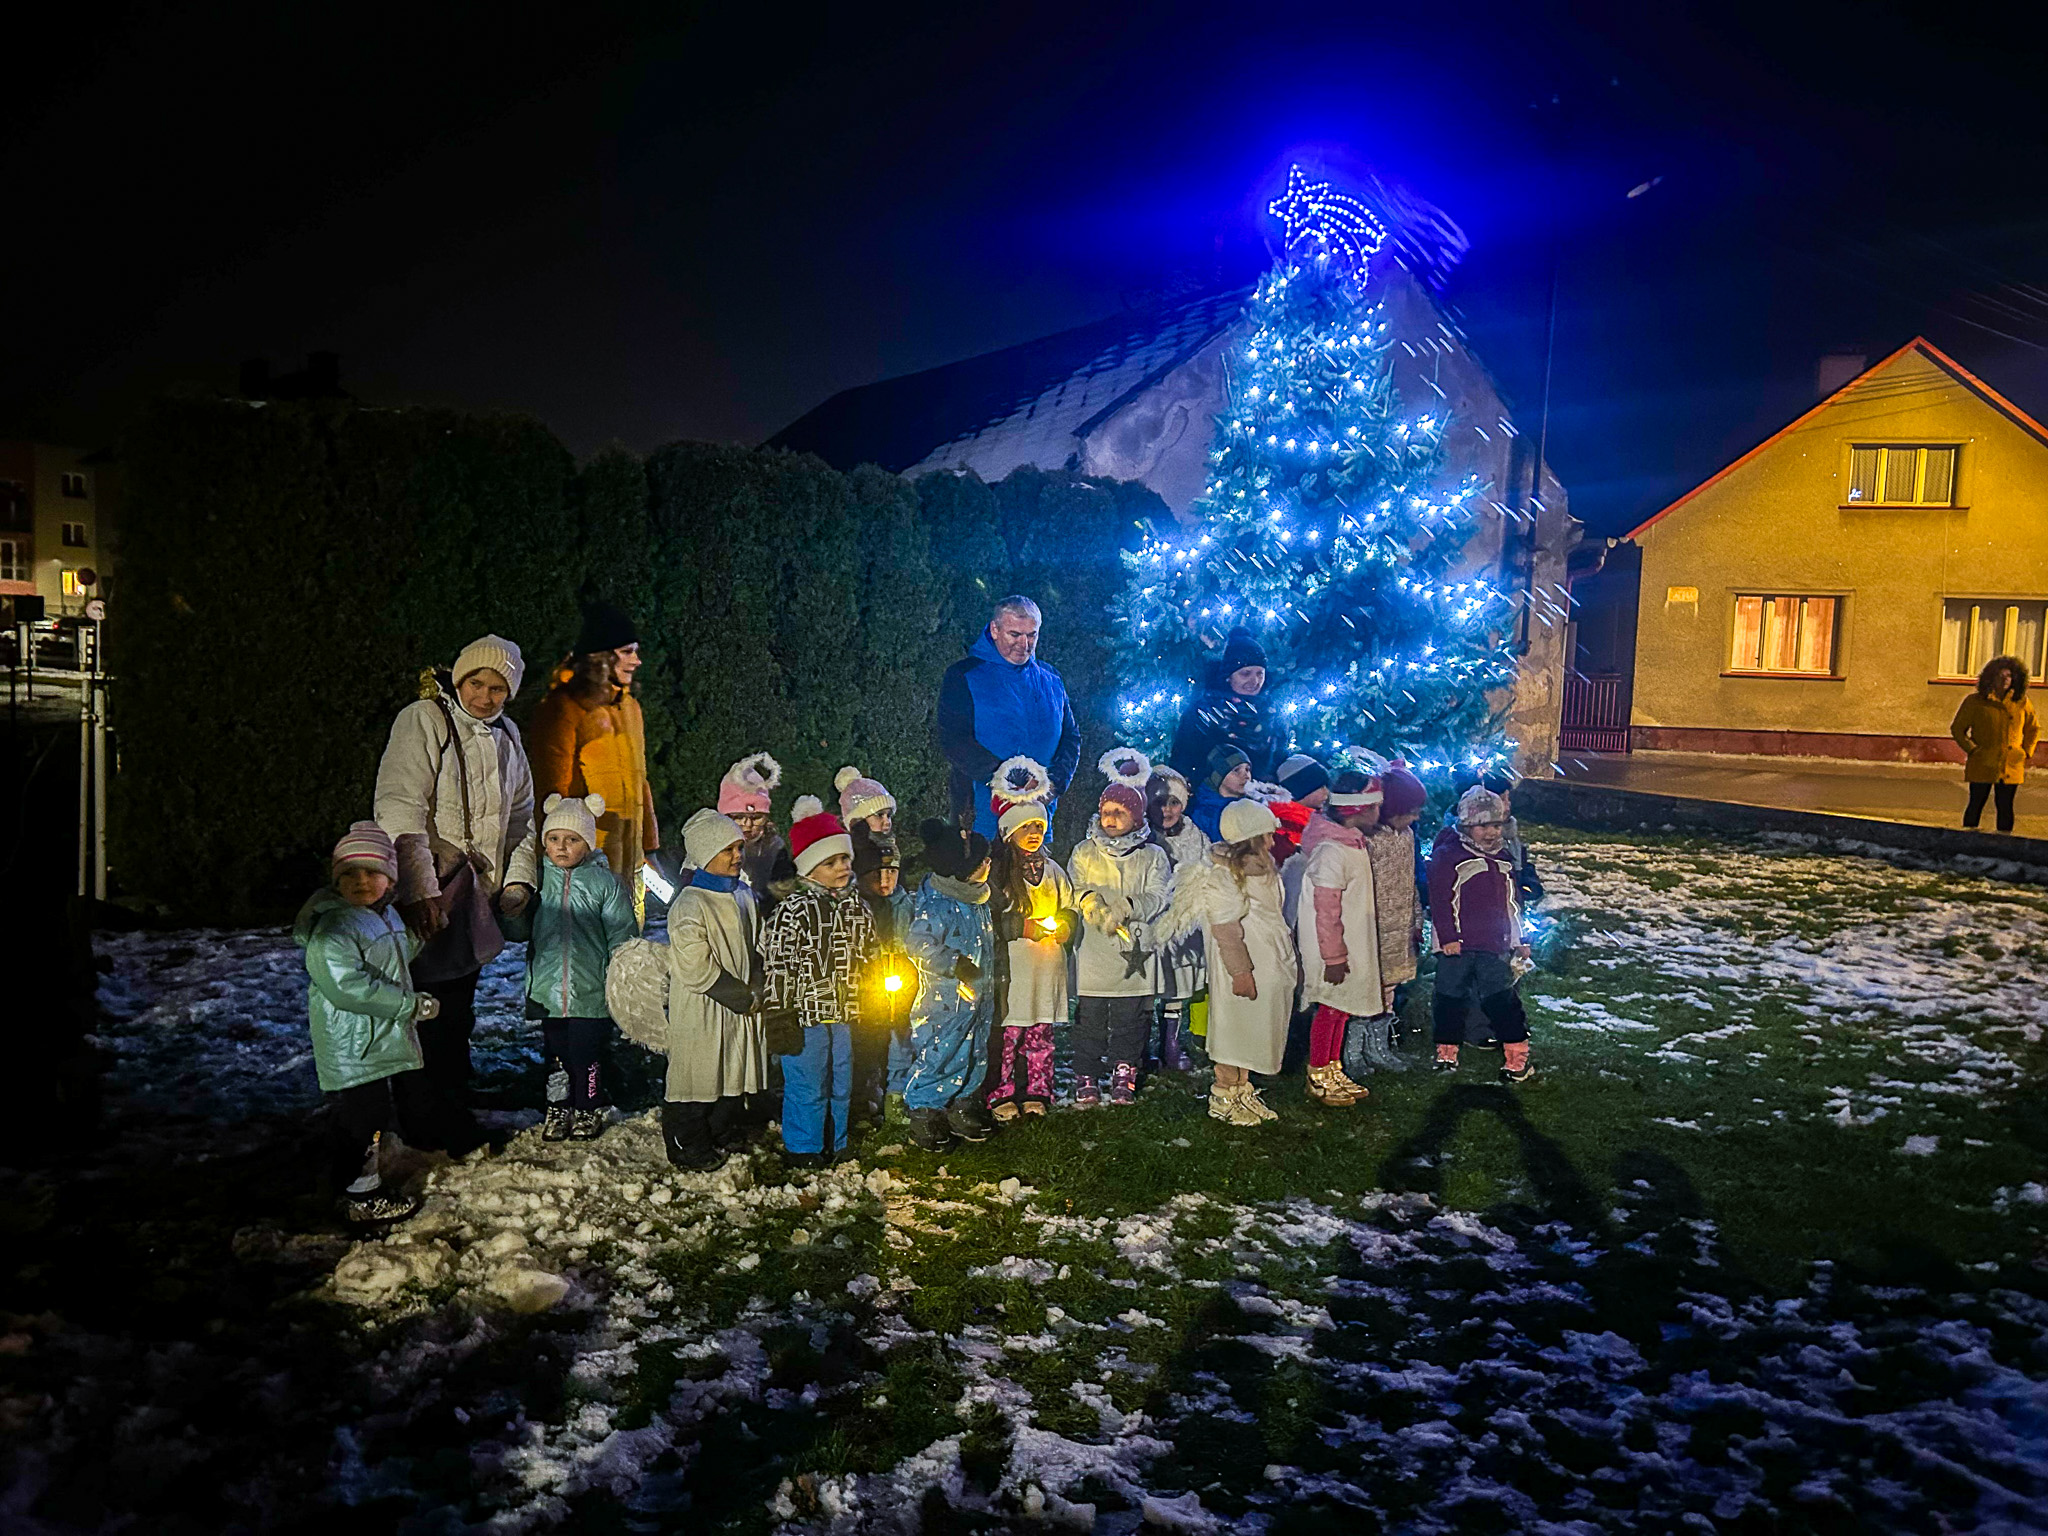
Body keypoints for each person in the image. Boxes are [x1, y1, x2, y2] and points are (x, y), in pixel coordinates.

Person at [374, 634, 538, 1154]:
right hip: (433, 892)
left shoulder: (508, 735)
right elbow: (400, 807)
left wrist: (517, 881)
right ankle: (425, 1121)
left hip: (474, 898)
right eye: (476, 683)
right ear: (459, 679)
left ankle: (452, 1103)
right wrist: (419, 890)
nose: (485, 697)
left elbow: (521, 816)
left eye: (498, 688)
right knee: (426, 1007)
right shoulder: (425, 720)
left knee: (459, 1005)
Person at [293, 822, 436, 1226]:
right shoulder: (334, 928)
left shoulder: (382, 915)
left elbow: (395, 955)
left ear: (390, 879)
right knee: (365, 1121)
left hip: (372, 1039)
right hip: (352, 1043)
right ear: (335, 881)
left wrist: (423, 935)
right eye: (349, 874)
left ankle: (347, 1184)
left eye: (372, 872)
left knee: (367, 1117)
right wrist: (410, 1006)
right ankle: (362, 1194)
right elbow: (347, 987)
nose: (361, 881)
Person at [499, 793, 638, 1141]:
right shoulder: (537, 882)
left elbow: (621, 934)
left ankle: (587, 1105)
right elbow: (519, 932)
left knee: (586, 1053)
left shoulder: (605, 884)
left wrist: (621, 977)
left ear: (588, 844)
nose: (561, 847)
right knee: (557, 1056)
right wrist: (512, 912)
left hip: (590, 990)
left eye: (572, 839)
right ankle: (558, 1106)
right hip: (548, 991)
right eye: (554, 838)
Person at [1159, 799, 1299, 1127]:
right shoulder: (1225, 875)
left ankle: (1242, 1088)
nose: (1272, 840)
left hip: (1268, 958)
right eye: (1267, 834)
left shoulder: (1263, 868)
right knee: (1235, 1028)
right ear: (1252, 837)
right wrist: (1240, 971)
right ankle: (1223, 1093)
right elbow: (1225, 928)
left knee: (1254, 1026)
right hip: (1244, 963)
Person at [759, 796, 878, 1165]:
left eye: (844, 859)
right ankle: (804, 1146)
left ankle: (836, 1141)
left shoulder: (858, 908)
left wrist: (875, 994)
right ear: (810, 869)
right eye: (830, 862)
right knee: (807, 1081)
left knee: (841, 1080)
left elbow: (870, 955)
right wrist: (780, 1013)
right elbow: (779, 965)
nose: (842, 867)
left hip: (844, 1012)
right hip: (804, 1014)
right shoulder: (791, 911)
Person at [527, 603, 660, 913]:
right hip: (585, 867)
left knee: (628, 936)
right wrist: (561, 859)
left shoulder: (630, 708)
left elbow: (640, 780)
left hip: (631, 864)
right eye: (627, 651)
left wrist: (649, 846)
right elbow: (551, 793)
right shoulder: (564, 709)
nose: (637, 660)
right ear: (600, 657)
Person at [661, 809, 767, 1171]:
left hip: (740, 1003)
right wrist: (739, 997)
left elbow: (756, 943)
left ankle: (720, 1128)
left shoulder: (743, 895)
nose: (738, 855)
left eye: (739, 848)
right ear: (705, 854)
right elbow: (695, 966)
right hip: (706, 1005)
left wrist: (756, 979)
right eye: (728, 850)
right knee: (699, 1073)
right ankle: (687, 1141)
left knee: (730, 1068)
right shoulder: (690, 903)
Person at [1067, 748, 1172, 1106]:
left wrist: (1129, 905)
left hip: (1134, 951)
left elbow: (1159, 895)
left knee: (1130, 1016)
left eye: (1120, 813)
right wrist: (1090, 903)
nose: (1110, 820)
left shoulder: (1151, 856)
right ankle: (1086, 1071)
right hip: (1095, 951)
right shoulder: (1085, 851)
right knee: (1090, 1017)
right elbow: (1074, 886)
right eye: (1106, 812)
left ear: (1136, 816)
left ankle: (1124, 1068)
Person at [937, 596, 1083, 837]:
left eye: (1032, 635)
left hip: (1039, 817)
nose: (1024, 644)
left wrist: (1055, 783)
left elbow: (1071, 736)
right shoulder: (964, 675)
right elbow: (954, 739)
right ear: (995, 630)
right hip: (981, 819)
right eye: (1014, 635)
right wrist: (1007, 779)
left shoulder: (1051, 678)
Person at [987, 757, 1076, 1118]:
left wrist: (1066, 924)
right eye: (1026, 827)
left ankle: (1038, 1088)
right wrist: (1024, 928)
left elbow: (1068, 904)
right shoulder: (999, 872)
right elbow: (994, 917)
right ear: (1010, 833)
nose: (1034, 832)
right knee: (1010, 1035)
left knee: (1040, 1033)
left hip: (1046, 968)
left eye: (1039, 825)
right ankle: (1002, 1090)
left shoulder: (1053, 869)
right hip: (1016, 970)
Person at [904, 819, 999, 1151]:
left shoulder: (977, 899)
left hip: (979, 998)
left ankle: (964, 1103)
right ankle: (924, 1110)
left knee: (975, 1050)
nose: (988, 863)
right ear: (962, 869)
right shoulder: (937, 905)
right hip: (946, 1003)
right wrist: (954, 963)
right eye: (982, 860)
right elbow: (918, 944)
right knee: (941, 1054)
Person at [1428, 785, 1534, 1084]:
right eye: (1482, 826)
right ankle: (1447, 1051)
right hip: (1457, 946)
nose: (1490, 832)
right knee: (1449, 997)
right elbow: (1441, 901)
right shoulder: (1449, 857)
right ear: (1466, 826)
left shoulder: (1503, 858)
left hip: (1493, 944)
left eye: (1496, 825)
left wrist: (1519, 939)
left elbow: (1512, 903)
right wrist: (1448, 937)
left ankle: (1517, 1054)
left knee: (1501, 998)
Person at [1293, 770, 1385, 1108]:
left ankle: (1333, 1066)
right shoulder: (1332, 851)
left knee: (1342, 1007)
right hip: (1334, 950)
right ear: (1357, 810)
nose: (1379, 814)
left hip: (1350, 943)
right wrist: (1333, 956)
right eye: (1375, 807)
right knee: (1331, 1008)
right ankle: (1318, 1072)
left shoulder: (1350, 844)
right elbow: (1325, 909)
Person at [1348, 759, 1427, 1078]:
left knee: (1388, 989)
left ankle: (1379, 1046)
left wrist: (1416, 919)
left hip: (1399, 928)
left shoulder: (1406, 836)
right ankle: (1353, 1050)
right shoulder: (1367, 839)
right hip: (1372, 927)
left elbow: (1410, 882)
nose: (1416, 817)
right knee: (1364, 991)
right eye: (1411, 811)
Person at [1146, 766, 1209, 1071]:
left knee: (1176, 984)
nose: (1166, 810)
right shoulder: (1142, 836)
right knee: (1147, 983)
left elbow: (1206, 871)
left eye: (1173, 803)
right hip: (1149, 920)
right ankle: (1139, 1044)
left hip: (1183, 923)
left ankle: (1170, 1041)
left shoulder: (1196, 838)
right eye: (1159, 803)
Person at [1169, 626, 1289, 782]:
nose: (1255, 681)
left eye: (1260, 673)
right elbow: (1181, 764)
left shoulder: (1271, 714)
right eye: (1245, 673)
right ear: (1228, 676)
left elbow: (1281, 762)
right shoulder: (1202, 714)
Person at [853, 829, 915, 1124]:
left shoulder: (906, 904)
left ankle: (897, 1097)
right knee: (867, 1043)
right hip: (868, 989)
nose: (885, 879)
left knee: (901, 1040)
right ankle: (865, 1097)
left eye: (891, 871)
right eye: (877, 873)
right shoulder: (858, 907)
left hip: (901, 986)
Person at [1951, 655, 2039, 834]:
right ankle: (1967, 839)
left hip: (2010, 763)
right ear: (1990, 678)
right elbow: (1958, 729)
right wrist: (1972, 749)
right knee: (1976, 803)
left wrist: (2025, 751)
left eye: (2009, 676)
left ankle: (2005, 841)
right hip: (1982, 762)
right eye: (2000, 676)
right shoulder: (1975, 702)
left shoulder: (2021, 702)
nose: (2005, 680)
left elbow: (2033, 729)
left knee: (2005, 806)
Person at [717, 752, 787, 901]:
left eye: (756, 818)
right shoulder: (709, 844)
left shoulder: (774, 846)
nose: (748, 825)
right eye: (738, 817)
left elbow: (783, 890)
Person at [1269, 753, 1330, 866]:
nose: (1326, 792)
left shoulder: (1315, 818)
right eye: (1321, 787)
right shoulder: (1289, 824)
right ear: (1303, 790)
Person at [1189, 745, 1252, 841]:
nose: (1246, 776)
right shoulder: (1205, 814)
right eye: (1236, 770)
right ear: (1218, 776)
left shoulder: (1251, 806)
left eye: (1247, 769)